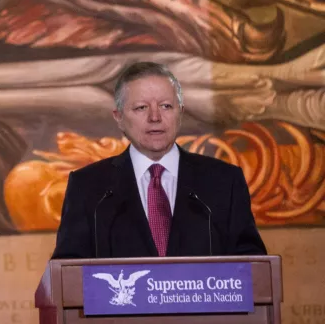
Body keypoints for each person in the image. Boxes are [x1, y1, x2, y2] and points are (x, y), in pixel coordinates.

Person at [51, 61, 267, 259]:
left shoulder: (224, 181)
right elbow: (67, 271)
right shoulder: (89, 188)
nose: (155, 117)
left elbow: (252, 268)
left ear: (180, 113)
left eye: (166, 106)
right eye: (141, 107)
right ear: (119, 118)